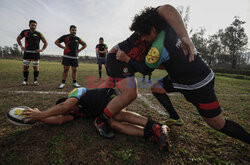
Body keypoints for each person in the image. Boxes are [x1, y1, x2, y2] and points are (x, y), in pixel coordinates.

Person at [116, 5, 250, 144]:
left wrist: (127, 59)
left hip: (197, 83)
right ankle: (175, 117)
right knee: (156, 87)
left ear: (153, 29)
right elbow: (167, 10)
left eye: (144, 35)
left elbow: (145, 70)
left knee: (218, 124)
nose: (142, 39)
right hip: (181, 78)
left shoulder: (157, 48)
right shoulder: (169, 27)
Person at [94, 4, 193, 139]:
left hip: (125, 60)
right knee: (130, 93)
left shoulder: (164, 40)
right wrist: (184, 36)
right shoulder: (155, 24)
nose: (142, 38)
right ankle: (101, 119)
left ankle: (88, 100)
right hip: (117, 57)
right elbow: (166, 9)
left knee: (108, 88)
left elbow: (148, 67)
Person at [22, 87, 171, 150]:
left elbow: (63, 108)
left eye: (68, 107)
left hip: (110, 96)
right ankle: (152, 135)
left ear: (66, 101)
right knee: (114, 123)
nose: (69, 111)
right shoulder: (75, 113)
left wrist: (40, 113)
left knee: (116, 115)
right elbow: (60, 119)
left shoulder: (76, 93)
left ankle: (156, 125)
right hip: (106, 112)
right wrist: (40, 119)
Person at [17, 20, 48, 86]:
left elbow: (45, 42)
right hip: (27, 52)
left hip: (35, 53)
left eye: (35, 25)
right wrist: (21, 46)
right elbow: (18, 38)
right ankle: (25, 81)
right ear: (29, 25)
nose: (33, 26)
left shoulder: (39, 33)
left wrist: (42, 49)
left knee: (36, 68)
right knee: (25, 67)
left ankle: (35, 81)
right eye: (32, 25)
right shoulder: (25, 32)